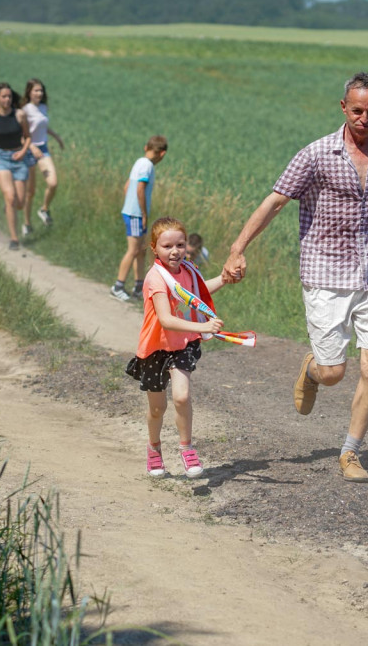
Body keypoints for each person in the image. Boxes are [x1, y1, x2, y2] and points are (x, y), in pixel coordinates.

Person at [222, 72, 368, 483]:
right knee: (334, 373)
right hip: (325, 270)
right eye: (357, 110)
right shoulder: (316, 155)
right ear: (343, 108)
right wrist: (239, 247)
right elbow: (276, 202)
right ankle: (313, 369)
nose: (365, 118)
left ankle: (350, 452)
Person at [126, 216, 229, 479]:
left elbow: (198, 293)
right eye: (167, 246)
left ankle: (187, 448)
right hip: (155, 349)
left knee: (182, 397)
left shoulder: (189, 270)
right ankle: (154, 448)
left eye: (180, 245)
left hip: (182, 345)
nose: (175, 252)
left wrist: (225, 279)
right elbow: (166, 320)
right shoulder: (155, 278)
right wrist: (204, 328)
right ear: (154, 249)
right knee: (157, 409)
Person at [110, 135, 168, 301]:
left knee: (141, 250)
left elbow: (126, 186)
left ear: (146, 147)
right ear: (162, 154)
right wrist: (143, 213)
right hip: (136, 213)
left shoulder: (139, 162)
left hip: (130, 211)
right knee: (134, 250)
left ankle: (138, 286)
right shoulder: (148, 166)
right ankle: (118, 286)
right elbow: (140, 189)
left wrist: (129, 205)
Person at [0, 82, 30, 249]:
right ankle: (14, 238)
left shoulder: (20, 115)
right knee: (10, 197)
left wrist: (23, 151)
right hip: (1, 158)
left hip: (18, 158)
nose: (7, 99)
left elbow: (28, 136)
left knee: (20, 203)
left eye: (9, 96)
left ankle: (10, 205)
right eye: (4, 96)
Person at [21, 78, 65, 228]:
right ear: (29, 92)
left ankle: (44, 209)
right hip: (29, 151)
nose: (39, 93)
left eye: (41, 90)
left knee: (53, 183)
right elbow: (20, 134)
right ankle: (27, 223)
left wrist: (57, 137)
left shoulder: (43, 107)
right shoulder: (25, 110)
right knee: (30, 191)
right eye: (36, 90)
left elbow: (42, 127)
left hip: (43, 149)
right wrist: (32, 147)